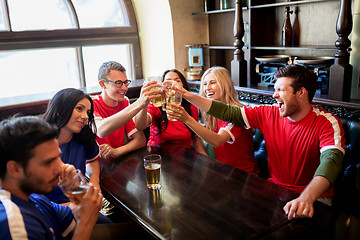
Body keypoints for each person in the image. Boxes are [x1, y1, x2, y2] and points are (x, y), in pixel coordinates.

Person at [171, 64, 345, 220]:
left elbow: (331, 163)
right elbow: (229, 113)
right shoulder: (269, 113)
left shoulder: (327, 123)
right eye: (274, 89)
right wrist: (186, 95)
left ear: (301, 93)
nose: (274, 95)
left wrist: (306, 198)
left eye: (281, 90)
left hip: (315, 197)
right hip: (276, 189)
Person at [0, 116, 103, 240]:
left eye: (58, 157)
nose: (60, 168)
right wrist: (85, 224)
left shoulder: (35, 197)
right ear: (14, 169)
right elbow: (82, 225)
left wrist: (72, 188)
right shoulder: (15, 225)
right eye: (48, 162)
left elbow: (73, 223)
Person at [166, 66, 259, 174]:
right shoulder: (211, 114)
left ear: (225, 85)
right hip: (221, 172)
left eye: (212, 83)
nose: (207, 88)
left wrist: (187, 119)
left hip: (243, 175)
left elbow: (217, 141)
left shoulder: (237, 113)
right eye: (205, 84)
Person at [42, 88, 101, 205]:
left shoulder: (84, 136)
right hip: (49, 212)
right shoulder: (38, 144)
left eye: (88, 112)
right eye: (79, 109)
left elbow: (92, 161)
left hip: (78, 202)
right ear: (59, 110)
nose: (85, 117)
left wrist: (94, 181)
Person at [93, 61, 161, 159]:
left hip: (118, 163)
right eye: (118, 83)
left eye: (125, 82)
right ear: (103, 84)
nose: (124, 88)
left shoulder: (124, 102)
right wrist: (139, 103)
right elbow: (101, 130)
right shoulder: (91, 103)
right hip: (96, 165)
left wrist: (117, 151)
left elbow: (140, 140)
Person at [134, 69, 207, 154]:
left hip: (185, 157)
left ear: (183, 85)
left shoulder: (191, 107)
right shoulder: (157, 105)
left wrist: (206, 160)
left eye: (177, 81)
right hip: (159, 155)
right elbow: (140, 126)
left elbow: (194, 138)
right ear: (162, 86)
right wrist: (143, 103)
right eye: (168, 81)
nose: (172, 84)